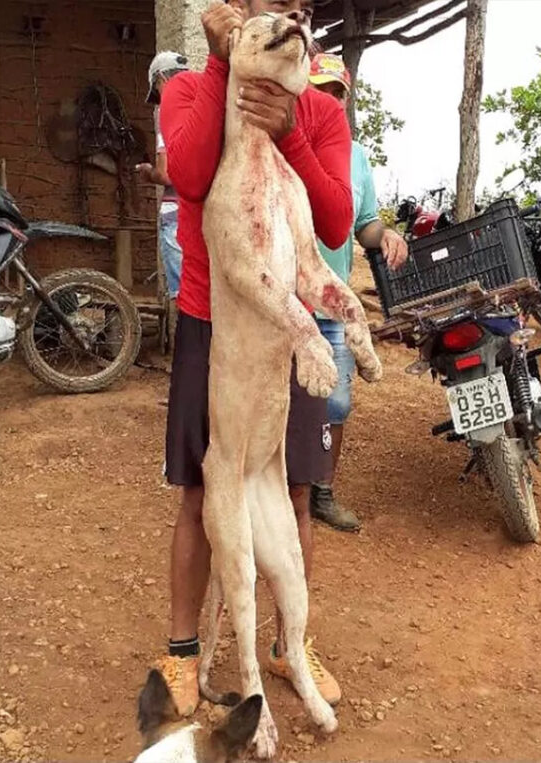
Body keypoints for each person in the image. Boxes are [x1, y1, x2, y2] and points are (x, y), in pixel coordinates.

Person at [156, 0, 352, 718]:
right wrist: (217, 65)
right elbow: (190, 175)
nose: (283, 13)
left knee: (295, 487)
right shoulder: (192, 84)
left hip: (290, 328)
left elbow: (334, 222)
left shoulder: (320, 109)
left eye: (293, 6)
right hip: (214, 319)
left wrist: (289, 132)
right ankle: (184, 654)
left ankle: (287, 644)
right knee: (205, 491)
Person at [304, 53, 406, 530]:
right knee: (280, 395)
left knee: (336, 401)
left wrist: (384, 234)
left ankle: (320, 492)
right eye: (318, 89)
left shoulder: (357, 156)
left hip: (334, 302)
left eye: (335, 92)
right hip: (286, 299)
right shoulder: (287, 143)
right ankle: (280, 491)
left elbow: (364, 223)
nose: (327, 99)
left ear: (345, 99)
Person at [136, 50, 189, 329]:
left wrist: (148, 173)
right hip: (208, 213)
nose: (158, 97)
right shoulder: (209, 107)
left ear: (161, 79)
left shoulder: (169, 110)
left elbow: (167, 172)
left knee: (185, 298)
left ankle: (190, 362)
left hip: (177, 215)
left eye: (157, 88)